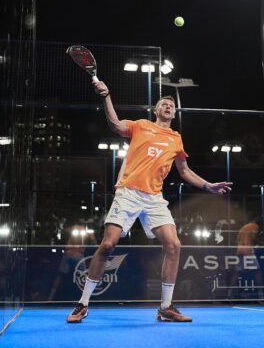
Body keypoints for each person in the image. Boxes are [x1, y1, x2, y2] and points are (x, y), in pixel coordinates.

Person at [66, 81, 232, 323]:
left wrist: (208, 186)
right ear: (156, 110)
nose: (168, 106)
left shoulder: (175, 138)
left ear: (174, 113)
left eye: (171, 105)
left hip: (154, 198)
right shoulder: (141, 126)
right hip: (128, 192)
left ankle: (166, 307)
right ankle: (82, 304)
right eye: (163, 104)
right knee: (108, 244)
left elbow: (184, 171)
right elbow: (115, 124)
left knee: (174, 245)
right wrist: (106, 96)